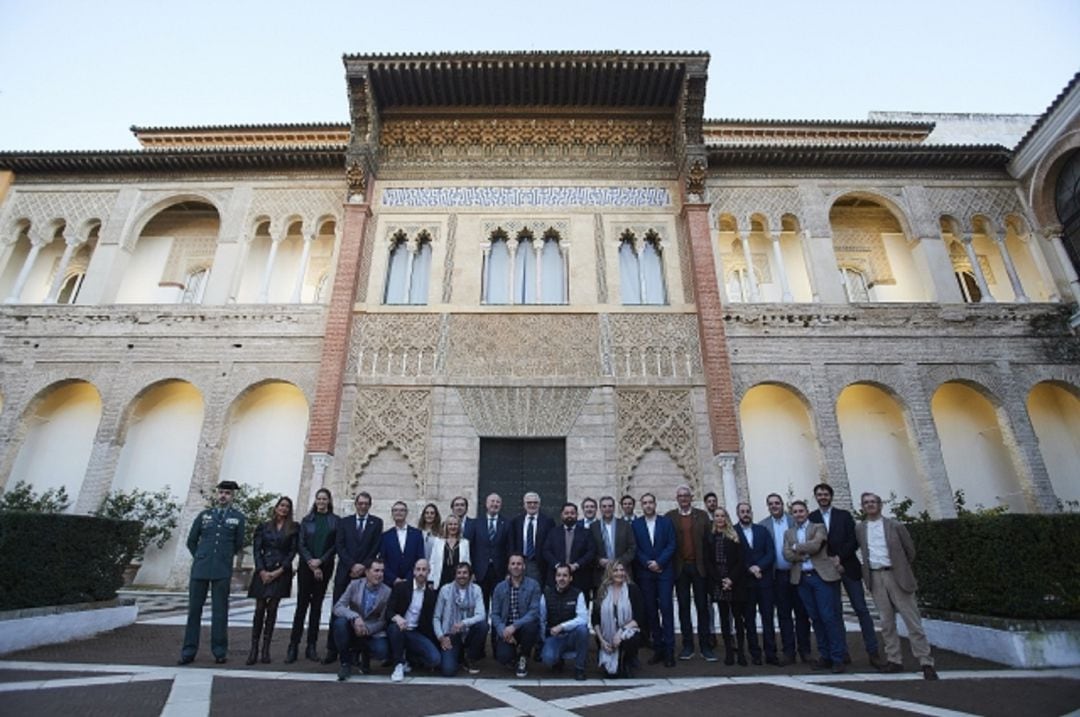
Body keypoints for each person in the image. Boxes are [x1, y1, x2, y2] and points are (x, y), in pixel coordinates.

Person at [857, 492, 939, 680]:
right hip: (876, 577)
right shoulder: (860, 529)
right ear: (862, 507)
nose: (869, 505)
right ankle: (894, 659)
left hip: (896, 575)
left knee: (912, 621)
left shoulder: (895, 526)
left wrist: (900, 569)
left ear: (880, 505)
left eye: (873, 502)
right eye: (866, 503)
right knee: (886, 622)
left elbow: (910, 551)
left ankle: (925, 661)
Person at [809, 482, 883, 668]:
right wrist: (830, 561)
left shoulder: (844, 516)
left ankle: (872, 651)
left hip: (848, 567)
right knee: (835, 613)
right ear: (816, 497)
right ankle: (842, 652)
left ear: (831, 496)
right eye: (819, 494)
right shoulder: (812, 517)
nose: (823, 497)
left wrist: (839, 558)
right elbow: (812, 544)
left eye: (826, 494)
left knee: (861, 608)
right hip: (826, 571)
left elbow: (853, 540)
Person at [178, 479, 246, 665]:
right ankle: (188, 651)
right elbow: (192, 540)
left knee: (220, 611)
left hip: (222, 569)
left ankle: (219, 650)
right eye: (221, 492)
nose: (223, 496)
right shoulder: (204, 515)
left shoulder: (238, 518)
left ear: (233, 496)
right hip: (201, 568)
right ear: (217, 494)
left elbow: (238, 543)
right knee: (194, 611)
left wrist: (224, 558)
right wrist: (200, 555)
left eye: (228, 493)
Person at [783, 500, 846, 673]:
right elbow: (786, 554)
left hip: (821, 577)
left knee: (828, 616)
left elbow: (816, 545)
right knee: (815, 618)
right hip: (802, 579)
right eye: (795, 512)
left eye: (801, 511)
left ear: (807, 512)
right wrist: (800, 554)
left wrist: (796, 547)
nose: (798, 514)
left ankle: (838, 657)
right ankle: (824, 655)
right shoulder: (789, 532)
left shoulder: (818, 527)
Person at [324, 491, 383, 665]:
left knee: (362, 611)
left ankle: (358, 649)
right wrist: (352, 565)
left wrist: (363, 567)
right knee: (338, 609)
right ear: (356, 504)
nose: (363, 506)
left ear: (370, 505)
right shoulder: (344, 522)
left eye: (366, 503)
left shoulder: (376, 523)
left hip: (365, 574)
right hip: (345, 572)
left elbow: (375, 547)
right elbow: (339, 546)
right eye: (360, 503)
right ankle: (332, 649)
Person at [286, 488, 339, 664]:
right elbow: (301, 544)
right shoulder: (306, 521)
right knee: (301, 606)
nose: (321, 502)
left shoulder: (334, 521)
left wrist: (320, 562)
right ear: (315, 501)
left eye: (324, 499)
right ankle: (293, 646)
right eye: (319, 499)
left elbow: (334, 546)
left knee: (316, 607)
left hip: (324, 568)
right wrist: (311, 562)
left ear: (329, 501)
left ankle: (311, 646)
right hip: (306, 568)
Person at [759, 492, 812, 665]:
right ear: (768, 506)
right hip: (778, 575)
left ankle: (805, 650)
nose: (774, 506)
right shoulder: (764, 526)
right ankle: (789, 651)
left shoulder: (794, 521)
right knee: (784, 614)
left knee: (802, 613)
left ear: (783, 504)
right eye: (771, 503)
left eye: (777, 503)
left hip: (797, 572)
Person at [246, 496, 299, 665]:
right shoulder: (263, 527)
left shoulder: (293, 528)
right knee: (260, 608)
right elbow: (257, 550)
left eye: (287, 507)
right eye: (281, 505)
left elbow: (292, 552)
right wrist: (261, 570)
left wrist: (280, 570)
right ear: (276, 507)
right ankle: (253, 648)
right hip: (264, 569)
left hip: (281, 571)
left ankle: (265, 649)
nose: (284, 509)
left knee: (273, 608)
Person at [665, 484, 713, 661]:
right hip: (680, 568)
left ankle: (706, 645)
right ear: (677, 499)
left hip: (699, 567)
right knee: (684, 607)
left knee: (702, 607)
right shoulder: (670, 517)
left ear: (691, 497)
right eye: (680, 496)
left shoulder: (702, 516)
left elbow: (709, 542)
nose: (683, 499)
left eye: (686, 496)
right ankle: (687, 645)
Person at [632, 493, 676, 667]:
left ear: (655, 504)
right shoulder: (636, 525)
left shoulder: (666, 522)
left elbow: (671, 544)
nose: (648, 505)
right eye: (645, 503)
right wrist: (647, 563)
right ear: (641, 506)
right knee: (651, 611)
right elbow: (634, 547)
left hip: (664, 572)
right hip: (645, 573)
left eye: (651, 502)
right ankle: (658, 648)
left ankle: (669, 650)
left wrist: (659, 562)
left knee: (666, 608)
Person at [332, 558, 392, 681]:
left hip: (371, 630)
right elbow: (338, 607)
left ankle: (365, 653)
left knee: (382, 651)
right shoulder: (354, 585)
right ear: (367, 572)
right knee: (339, 624)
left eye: (382, 571)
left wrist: (367, 629)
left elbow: (383, 621)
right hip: (353, 626)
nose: (379, 574)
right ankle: (345, 663)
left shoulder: (387, 592)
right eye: (376, 571)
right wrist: (354, 617)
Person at [703, 506, 748, 666]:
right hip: (718, 582)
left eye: (722, 516)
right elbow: (708, 561)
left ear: (726, 518)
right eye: (717, 516)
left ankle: (741, 652)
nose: (720, 518)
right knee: (724, 618)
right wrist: (720, 580)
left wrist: (731, 579)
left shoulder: (734, 536)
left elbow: (740, 560)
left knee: (738, 617)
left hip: (734, 581)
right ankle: (729, 652)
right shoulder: (710, 537)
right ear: (714, 519)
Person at [386, 559, 441, 682]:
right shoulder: (401, 587)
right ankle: (398, 664)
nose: (421, 573)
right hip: (398, 628)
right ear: (414, 571)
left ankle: (409, 657)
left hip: (415, 632)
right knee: (395, 629)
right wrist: (397, 617)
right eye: (418, 569)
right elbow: (388, 611)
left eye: (424, 570)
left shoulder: (431, 594)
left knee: (435, 659)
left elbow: (429, 622)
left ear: (429, 572)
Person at [736, 501, 776, 666]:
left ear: (751, 513)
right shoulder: (734, 532)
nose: (745, 514)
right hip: (746, 583)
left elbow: (770, 552)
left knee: (768, 618)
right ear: (738, 514)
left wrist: (759, 567)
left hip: (764, 581)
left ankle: (771, 653)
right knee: (749, 620)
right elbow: (736, 557)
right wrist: (750, 569)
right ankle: (755, 653)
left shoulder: (762, 530)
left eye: (747, 511)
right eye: (742, 511)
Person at [490, 554, 542, 678]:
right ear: (508, 566)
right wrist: (503, 630)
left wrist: (515, 626)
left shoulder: (533, 585)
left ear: (524, 566)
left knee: (531, 626)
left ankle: (523, 656)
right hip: (507, 630)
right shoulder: (499, 587)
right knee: (503, 658)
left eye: (519, 564)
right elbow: (495, 614)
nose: (516, 567)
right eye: (513, 564)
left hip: (524, 628)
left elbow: (534, 612)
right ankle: (514, 654)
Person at [434, 562, 488, 677]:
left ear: (470, 575)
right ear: (454, 575)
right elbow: (436, 617)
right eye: (459, 573)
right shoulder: (445, 590)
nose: (462, 576)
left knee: (483, 626)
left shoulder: (476, 589)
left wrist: (463, 623)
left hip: (469, 633)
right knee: (448, 671)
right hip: (450, 633)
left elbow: (481, 615)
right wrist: (441, 637)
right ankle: (458, 656)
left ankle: (470, 657)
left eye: (465, 573)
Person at [592, 560, 644, 679]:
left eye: (622, 570)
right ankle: (611, 657)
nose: (619, 573)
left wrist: (620, 633)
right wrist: (602, 641)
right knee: (611, 675)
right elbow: (595, 620)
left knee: (632, 639)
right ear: (609, 573)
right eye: (615, 570)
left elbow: (639, 618)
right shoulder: (602, 591)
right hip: (606, 636)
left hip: (627, 632)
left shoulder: (633, 590)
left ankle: (627, 661)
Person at [540, 563, 590, 680]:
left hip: (572, 635)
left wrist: (562, 626)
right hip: (554, 637)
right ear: (555, 578)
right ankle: (557, 660)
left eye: (565, 575)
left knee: (583, 630)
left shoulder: (578, 594)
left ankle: (579, 668)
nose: (561, 578)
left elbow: (583, 619)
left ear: (570, 578)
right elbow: (541, 620)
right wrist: (544, 640)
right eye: (559, 575)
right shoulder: (546, 594)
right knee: (548, 658)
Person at [469, 492, 510, 612]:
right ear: (486, 504)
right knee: (481, 606)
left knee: (499, 605)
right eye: (492, 501)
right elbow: (471, 548)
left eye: (497, 502)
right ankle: (482, 630)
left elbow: (509, 548)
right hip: (480, 572)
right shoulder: (476, 523)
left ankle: (497, 630)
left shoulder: (507, 523)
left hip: (499, 571)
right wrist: (471, 571)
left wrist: (508, 572)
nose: (495, 504)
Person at [590, 496, 637, 597]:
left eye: (610, 506)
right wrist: (598, 560)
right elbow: (590, 549)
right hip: (601, 573)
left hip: (622, 571)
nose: (607, 509)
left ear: (614, 508)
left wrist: (618, 562)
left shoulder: (625, 525)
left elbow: (632, 547)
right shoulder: (593, 527)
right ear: (600, 508)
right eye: (604, 506)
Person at [542, 502, 595, 590]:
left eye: (572, 513)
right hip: (557, 576)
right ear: (561, 515)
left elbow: (591, 552)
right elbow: (546, 551)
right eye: (566, 513)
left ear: (577, 515)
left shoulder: (586, 533)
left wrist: (576, 565)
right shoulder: (553, 532)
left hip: (580, 576)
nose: (569, 515)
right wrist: (558, 565)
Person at [509, 492, 555, 585]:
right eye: (529, 503)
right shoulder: (516, 521)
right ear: (524, 505)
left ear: (539, 504)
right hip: (520, 562)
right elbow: (512, 543)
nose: (532, 505)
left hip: (539, 564)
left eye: (535, 502)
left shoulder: (548, 522)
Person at [381, 501, 426, 586]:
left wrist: (408, 578)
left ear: (406, 513)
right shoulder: (385, 536)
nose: (398, 512)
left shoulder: (417, 534)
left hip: (412, 581)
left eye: (402, 510)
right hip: (391, 582)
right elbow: (383, 560)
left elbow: (420, 558)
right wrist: (393, 578)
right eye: (395, 510)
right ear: (392, 513)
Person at [428, 513, 471, 589]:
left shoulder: (464, 543)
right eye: (450, 524)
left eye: (455, 524)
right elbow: (432, 562)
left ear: (459, 526)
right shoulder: (438, 542)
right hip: (441, 578)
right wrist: (430, 580)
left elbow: (467, 562)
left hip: (458, 579)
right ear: (446, 526)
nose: (453, 527)